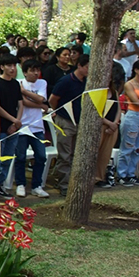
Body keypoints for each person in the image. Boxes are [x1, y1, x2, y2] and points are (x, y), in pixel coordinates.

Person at [49, 55, 89, 197]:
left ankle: (70, 181)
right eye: (87, 67)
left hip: (80, 121)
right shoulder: (66, 81)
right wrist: (58, 113)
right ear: (79, 66)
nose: (89, 70)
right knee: (65, 154)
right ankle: (64, 184)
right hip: (65, 120)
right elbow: (53, 99)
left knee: (74, 153)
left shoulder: (86, 82)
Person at [15, 60, 50, 198]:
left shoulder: (42, 83)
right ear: (25, 72)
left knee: (41, 156)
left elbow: (41, 98)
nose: (36, 73)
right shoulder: (18, 82)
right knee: (21, 157)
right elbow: (23, 102)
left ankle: (37, 185)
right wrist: (41, 105)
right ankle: (20, 184)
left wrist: (24, 92)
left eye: (37, 70)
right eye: (32, 70)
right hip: (22, 126)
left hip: (37, 126)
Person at [0, 55, 24, 197]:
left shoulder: (15, 84)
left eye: (14, 66)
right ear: (2, 67)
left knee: (8, 159)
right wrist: (13, 120)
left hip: (14, 127)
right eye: (9, 66)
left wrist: (17, 122)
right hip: (1, 127)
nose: (12, 69)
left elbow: (20, 104)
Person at [117, 59, 139, 186]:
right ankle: (122, 174)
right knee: (128, 146)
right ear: (136, 70)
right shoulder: (129, 84)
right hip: (133, 115)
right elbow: (135, 101)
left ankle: (131, 173)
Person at [96, 63, 125, 187]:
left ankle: (100, 177)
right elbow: (96, 112)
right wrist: (108, 123)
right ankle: (92, 177)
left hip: (113, 127)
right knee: (96, 153)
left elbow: (118, 109)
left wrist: (115, 124)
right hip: (101, 126)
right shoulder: (97, 93)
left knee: (105, 154)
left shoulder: (114, 92)